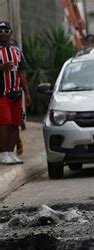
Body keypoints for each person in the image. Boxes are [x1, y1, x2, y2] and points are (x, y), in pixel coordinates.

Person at [0, 21, 31, 165]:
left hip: (16, 93)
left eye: (6, 31)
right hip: (2, 94)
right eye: (1, 31)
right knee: (4, 123)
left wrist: (27, 93)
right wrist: (1, 67)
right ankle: (3, 153)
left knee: (15, 124)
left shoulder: (17, 51)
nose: (3, 33)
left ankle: (11, 153)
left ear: (11, 33)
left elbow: (22, 72)